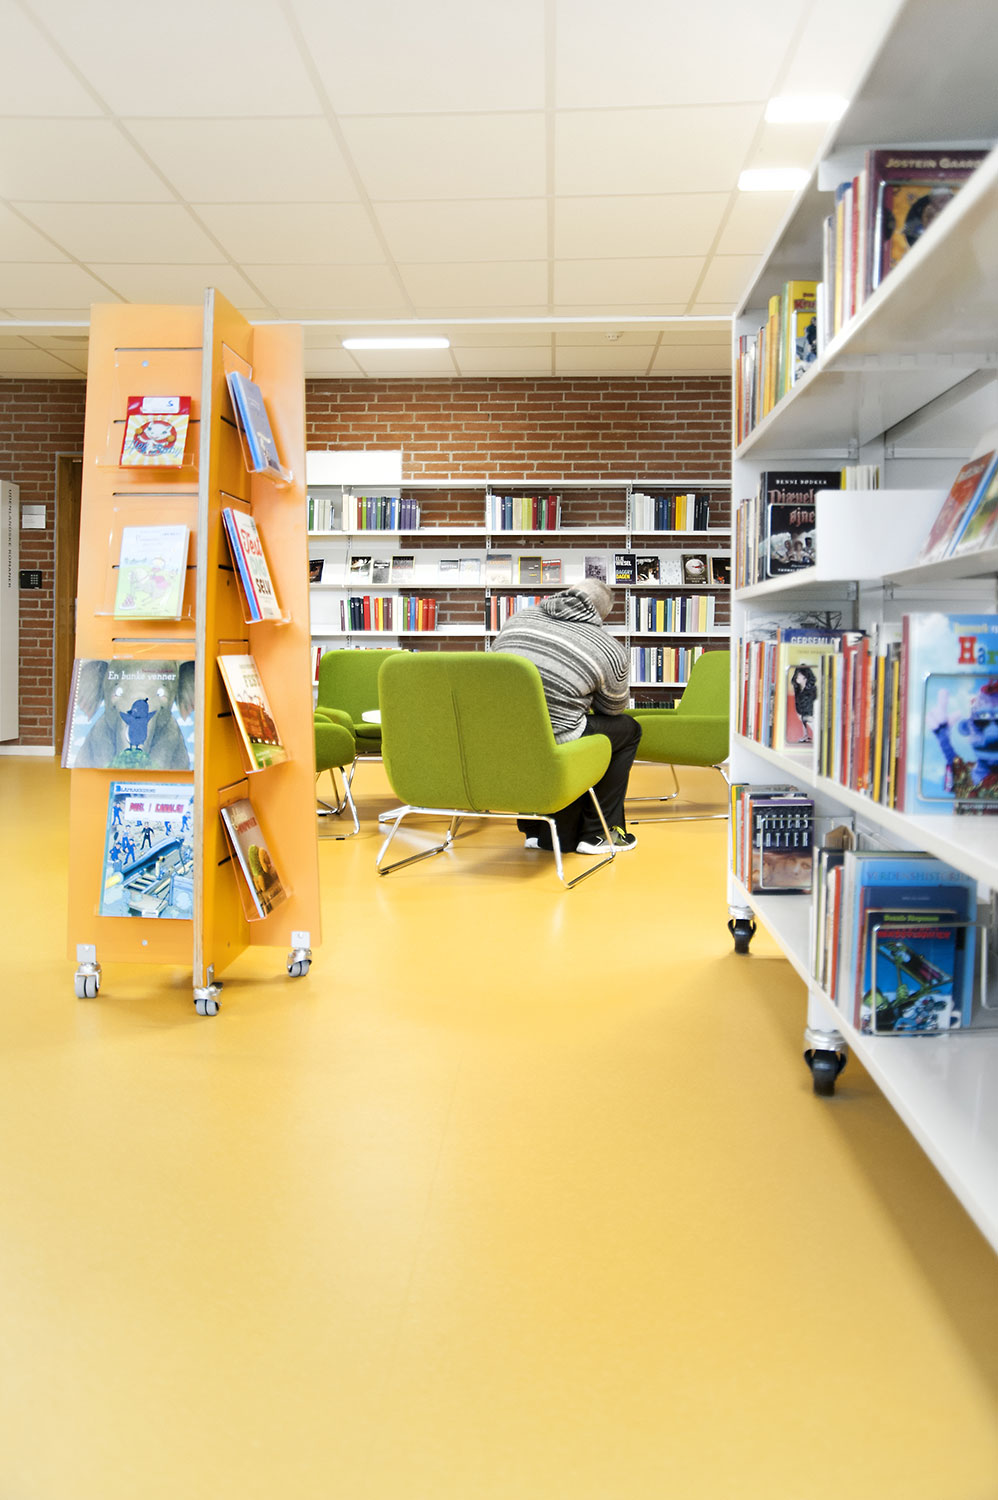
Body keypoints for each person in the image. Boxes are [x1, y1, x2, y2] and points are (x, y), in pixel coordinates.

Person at [492, 578, 642, 854]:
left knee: (539, 726)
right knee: (627, 730)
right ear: (602, 615)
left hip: (504, 735)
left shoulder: (518, 619)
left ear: (567, 593)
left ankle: (533, 829)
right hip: (558, 736)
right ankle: (599, 833)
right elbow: (612, 709)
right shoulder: (608, 647)